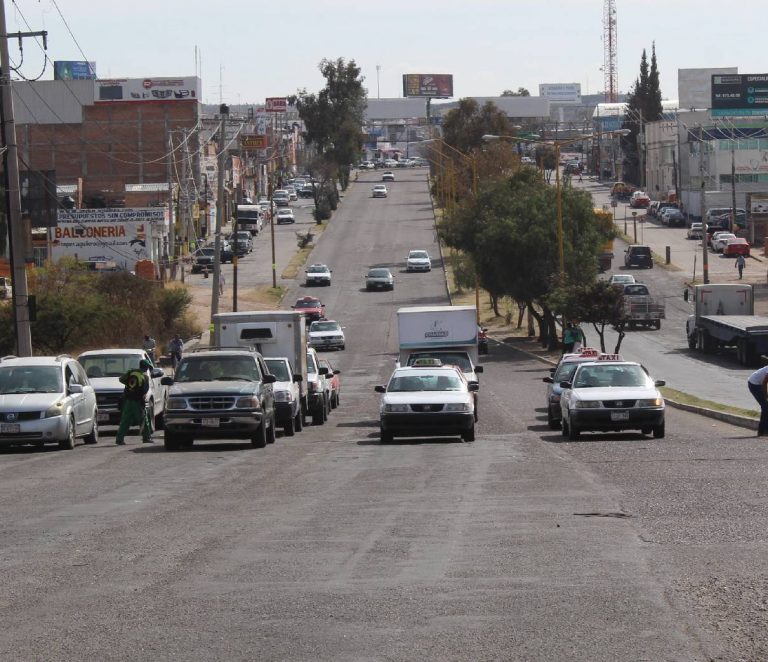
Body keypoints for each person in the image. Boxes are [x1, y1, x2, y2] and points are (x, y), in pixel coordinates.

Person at [115, 359, 153, 445]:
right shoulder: (144, 377)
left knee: (125, 420)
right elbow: (144, 391)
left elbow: (121, 379)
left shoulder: (131, 373)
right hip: (137, 402)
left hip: (127, 400)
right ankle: (146, 437)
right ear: (146, 368)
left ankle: (119, 439)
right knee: (144, 419)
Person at [747, 365, 768, 436]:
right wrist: (765, 395)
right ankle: (763, 431)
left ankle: (762, 431)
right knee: (765, 407)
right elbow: (765, 382)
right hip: (754, 384)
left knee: (765, 407)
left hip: (760, 383)